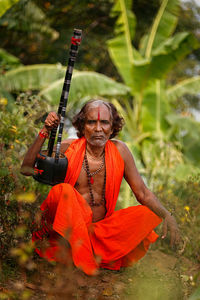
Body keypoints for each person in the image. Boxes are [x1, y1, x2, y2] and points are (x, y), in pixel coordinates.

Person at [21, 99, 180, 275]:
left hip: (99, 234)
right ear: (82, 126)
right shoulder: (68, 147)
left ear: (112, 128)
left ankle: (88, 253)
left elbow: (142, 193)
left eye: (104, 122)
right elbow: (26, 169)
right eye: (91, 122)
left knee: (145, 213)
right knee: (63, 191)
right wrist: (45, 131)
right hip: (65, 235)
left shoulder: (121, 151)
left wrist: (167, 215)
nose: (98, 128)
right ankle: (81, 258)